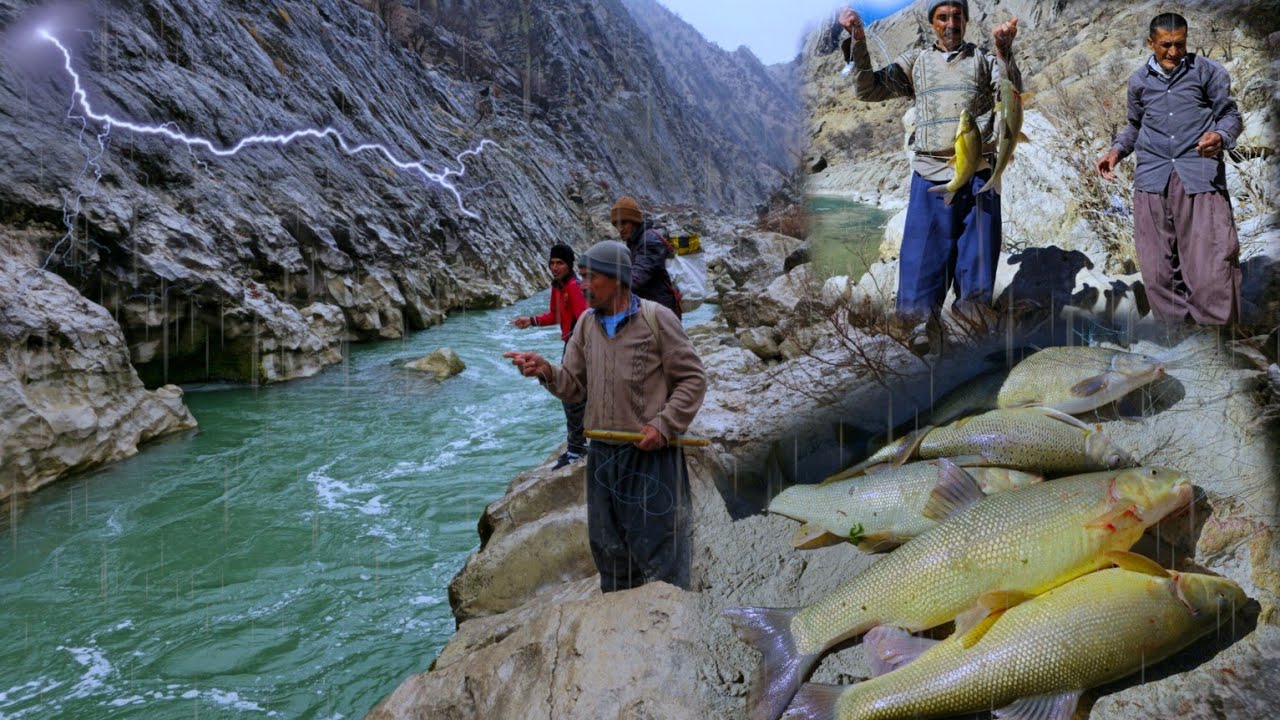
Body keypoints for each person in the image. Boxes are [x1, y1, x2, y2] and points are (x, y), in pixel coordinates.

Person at [504, 240, 706, 592]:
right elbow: (574, 387)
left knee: (662, 551)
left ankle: (672, 624)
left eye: (589, 277)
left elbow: (692, 379)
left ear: (616, 279)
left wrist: (663, 424)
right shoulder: (585, 324)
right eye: (581, 276)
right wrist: (547, 371)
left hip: (650, 457)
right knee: (610, 549)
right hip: (601, 457)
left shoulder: (657, 320)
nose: (582, 285)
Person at [838, 1, 1021, 321]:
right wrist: (858, 40)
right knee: (919, 283)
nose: (950, 24)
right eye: (942, 17)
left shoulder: (983, 59)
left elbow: (1012, 93)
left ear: (965, 19)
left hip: (980, 177)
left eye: (957, 16)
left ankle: (971, 338)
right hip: (930, 176)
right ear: (931, 22)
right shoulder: (916, 63)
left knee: (977, 281)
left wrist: (1005, 52)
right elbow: (868, 89)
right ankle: (917, 339)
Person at [1095, 12, 1243, 325]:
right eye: (1165, 45)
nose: (1174, 52)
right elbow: (1135, 125)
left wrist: (1221, 136)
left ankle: (1217, 343)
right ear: (1151, 43)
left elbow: (1230, 116)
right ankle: (1177, 343)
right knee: (1157, 268)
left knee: (1210, 266)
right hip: (1151, 180)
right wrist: (1115, 152)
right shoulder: (1138, 81)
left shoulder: (1207, 72)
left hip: (1199, 176)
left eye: (1180, 44)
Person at [512, 243, 590, 468]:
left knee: (572, 398)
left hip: (578, 346)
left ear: (569, 265)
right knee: (577, 396)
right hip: (571, 344)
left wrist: (578, 348)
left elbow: (585, 319)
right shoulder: (559, 286)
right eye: (552, 263)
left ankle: (577, 448)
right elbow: (556, 315)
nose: (555, 267)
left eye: (560, 263)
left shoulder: (574, 287)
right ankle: (581, 444)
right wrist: (532, 321)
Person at [610, 196, 681, 316]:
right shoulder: (635, 241)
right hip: (651, 308)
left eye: (623, 222)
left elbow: (638, 276)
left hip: (662, 311)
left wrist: (609, 291)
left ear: (634, 221)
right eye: (616, 224)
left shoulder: (649, 241)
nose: (620, 229)